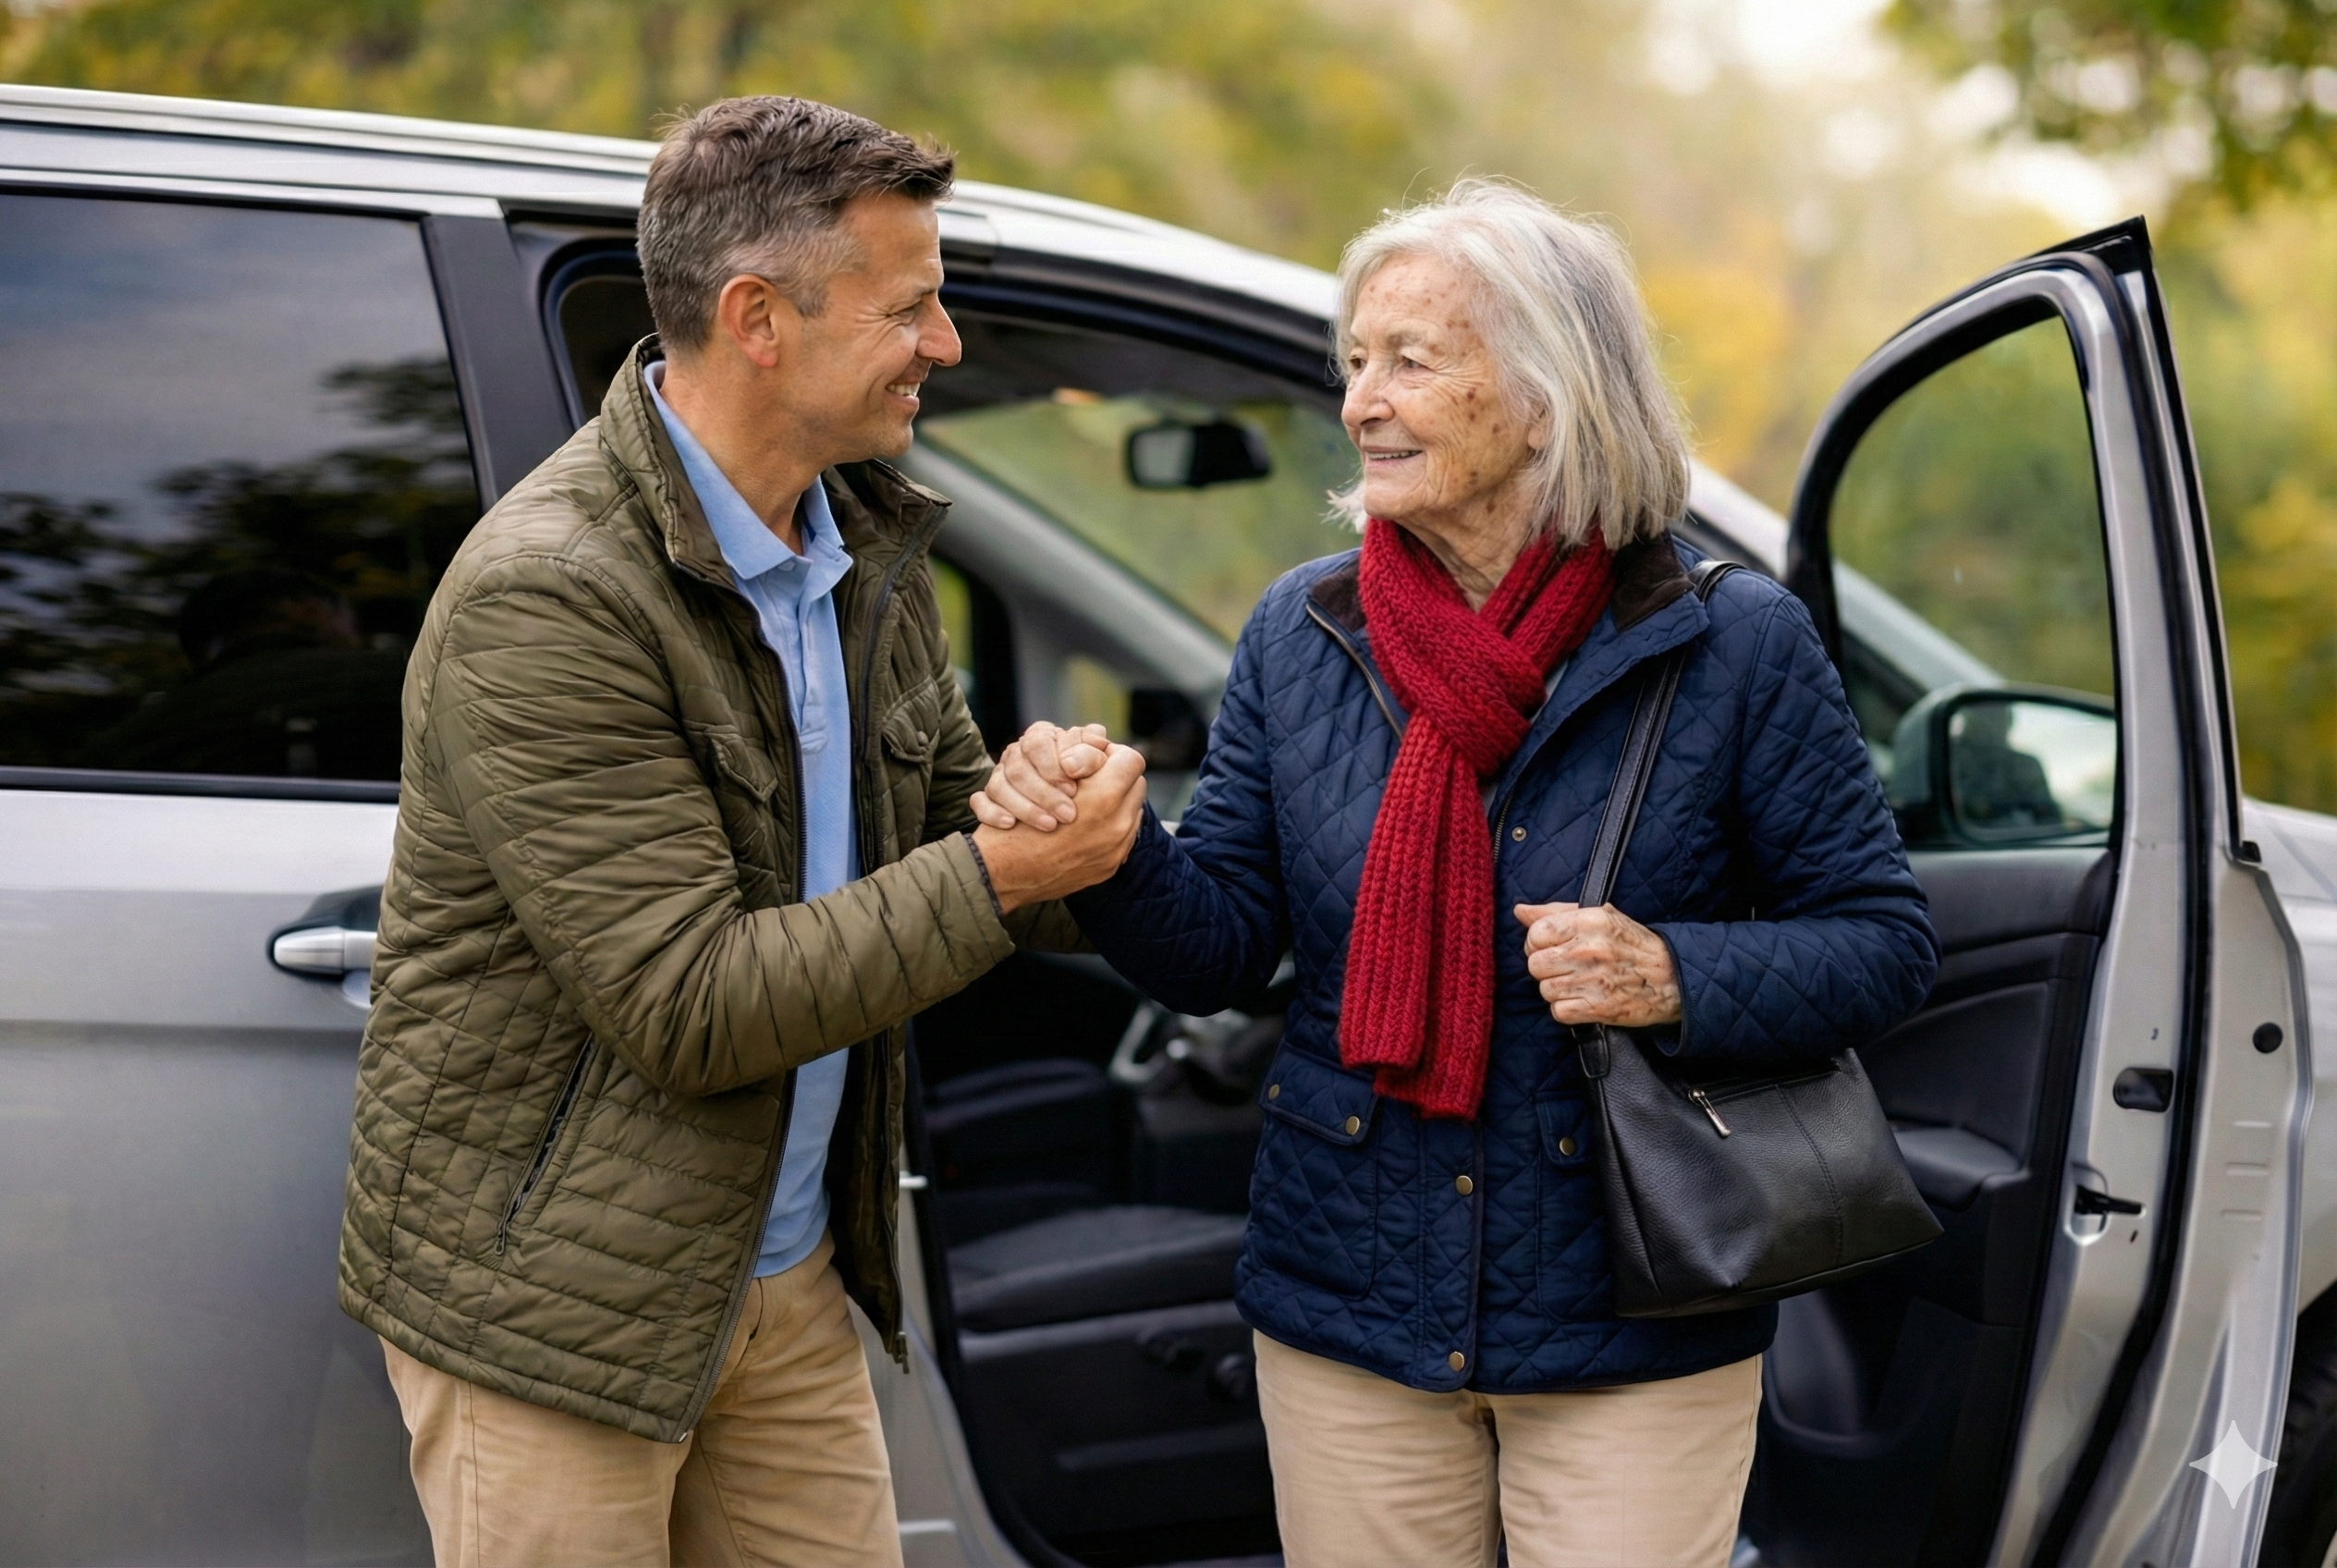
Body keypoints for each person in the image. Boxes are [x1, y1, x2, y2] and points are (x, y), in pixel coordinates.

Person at [973, 180, 1939, 1568]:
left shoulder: (1733, 643)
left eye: (1411, 360)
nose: (1363, 399)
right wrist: (1114, 853)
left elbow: (1884, 944)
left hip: (1632, 1311)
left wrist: (1675, 974)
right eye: (1355, 361)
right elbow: (1221, 950)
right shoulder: (1300, 633)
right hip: (1347, 1303)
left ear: (1549, 396)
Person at [337, 96, 1142, 1568]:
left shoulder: (856, 547)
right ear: (758, 318)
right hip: (559, 1321)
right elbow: (692, 1003)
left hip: (784, 1284)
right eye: (913, 307)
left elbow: (960, 832)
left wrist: (1076, 820)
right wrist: (999, 868)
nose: (946, 345)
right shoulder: (550, 593)